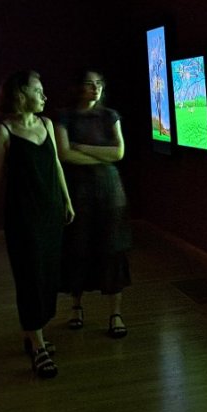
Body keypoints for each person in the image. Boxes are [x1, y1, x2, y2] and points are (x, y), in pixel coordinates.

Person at [0, 69, 75, 379]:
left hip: (50, 213)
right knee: (29, 276)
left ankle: (33, 334)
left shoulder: (46, 125)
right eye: (38, 90)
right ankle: (38, 346)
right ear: (21, 95)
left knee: (47, 274)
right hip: (23, 218)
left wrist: (67, 200)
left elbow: (56, 164)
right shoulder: (3, 133)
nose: (44, 95)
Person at [55, 69, 131, 339]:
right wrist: (102, 155)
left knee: (113, 248)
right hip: (78, 191)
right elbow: (64, 155)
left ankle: (115, 313)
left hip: (110, 192)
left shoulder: (110, 115)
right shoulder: (65, 116)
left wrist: (82, 147)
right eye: (89, 84)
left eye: (99, 83)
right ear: (78, 87)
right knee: (77, 246)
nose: (95, 88)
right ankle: (76, 307)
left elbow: (118, 152)